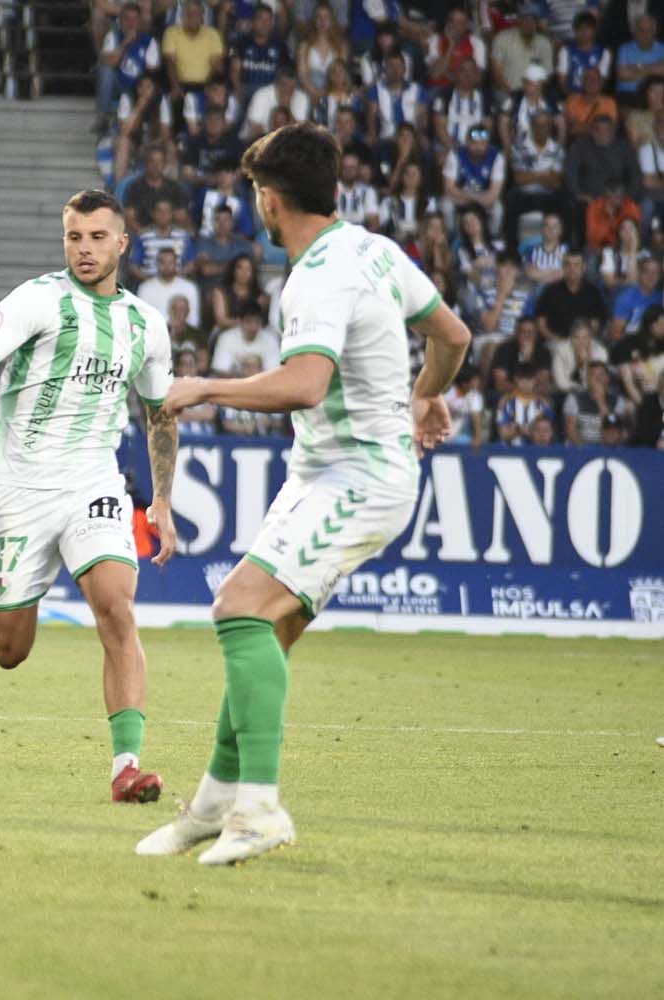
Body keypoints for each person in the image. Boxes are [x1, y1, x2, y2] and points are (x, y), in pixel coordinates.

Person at [139, 123, 471, 865]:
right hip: (324, 473)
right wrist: (425, 394)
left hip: (361, 476)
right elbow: (453, 336)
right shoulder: (375, 249)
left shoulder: (317, 275)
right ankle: (214, 805)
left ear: (269, 198)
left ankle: (260, 810)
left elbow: (304, 384)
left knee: (237, 608)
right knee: (267, 629)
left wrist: (204, 387)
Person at [0, 189, 179, 804]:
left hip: (93, 482)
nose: (85, 249)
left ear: (122, 243)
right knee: (10, 651)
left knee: (117, 609)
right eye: (75, 237)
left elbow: (160, 415)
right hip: (17, 485)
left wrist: (162, 501)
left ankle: (127, 767)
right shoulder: (40, 299)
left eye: (97, 237)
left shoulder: (146, 325)